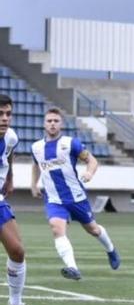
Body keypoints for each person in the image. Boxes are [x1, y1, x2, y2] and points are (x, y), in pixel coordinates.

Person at [30, 107, 120, 281]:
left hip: (76, 197)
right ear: (44, 124)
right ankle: (73, 267)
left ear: (61, 124)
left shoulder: (71, 143)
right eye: (49, 121)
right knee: (57, 228)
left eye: (56, 121)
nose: (52, 124)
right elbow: (36, 165)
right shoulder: (36, 147)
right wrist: (33, 184)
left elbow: (92, 160)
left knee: (93, 230)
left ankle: (111, 250)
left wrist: (89, 173)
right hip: (54, 199)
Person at [0, 94, 40, 305]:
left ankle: (16, 304)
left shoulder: (11, 136)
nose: (5, 119)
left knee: (17, 251)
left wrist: (10, 178)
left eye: (8, 114)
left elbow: (9, 153)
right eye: (0, 114)